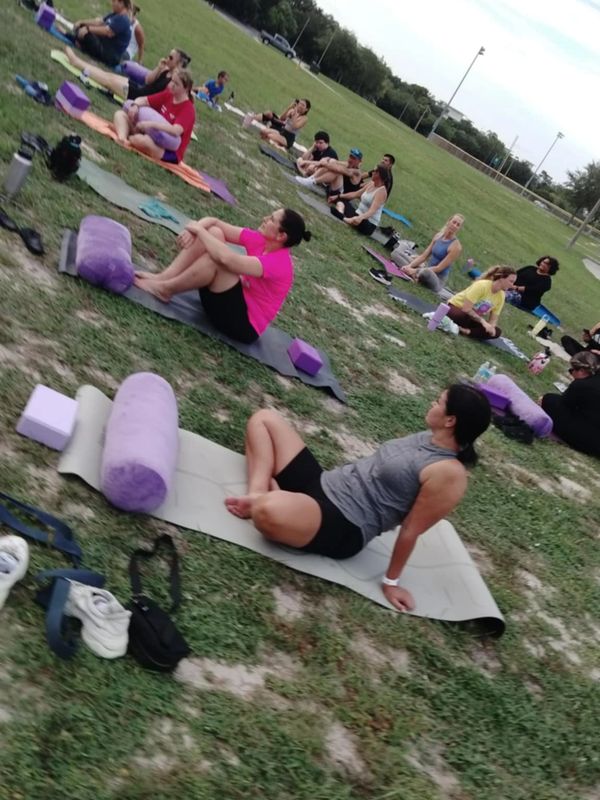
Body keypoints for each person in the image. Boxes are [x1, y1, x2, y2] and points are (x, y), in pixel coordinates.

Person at [225, 384, 491, 612]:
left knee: (267, 513)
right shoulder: (427, 437)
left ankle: (268, 500)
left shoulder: (449, 474)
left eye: (438, 401)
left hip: (343, 523)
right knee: (264, 419)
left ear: (450, 421)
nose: (432, 403)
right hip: (323, 483)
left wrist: (391, 583)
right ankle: (258, 492)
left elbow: (411, 529)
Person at [134, 209, 311, 343]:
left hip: (243, 326)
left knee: (217, 260)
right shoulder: (261, 240)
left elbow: (226, 259)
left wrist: (199, 231)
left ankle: (165, 290)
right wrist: (195, 228)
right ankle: (162, 278)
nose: (265, 219)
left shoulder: (279, 263)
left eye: (271, 219)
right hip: (227, 304)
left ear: (281, 236)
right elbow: (215, 223)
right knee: (215, 234)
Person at [113, 70, 196, 163]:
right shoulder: (169, 94)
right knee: (120, 114)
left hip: (171, 151)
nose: (171, 85)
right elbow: (145, 100)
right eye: (172, 81)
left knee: (144, 141)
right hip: (152, 134)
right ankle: (122, 138)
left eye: (176, 84)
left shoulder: (188, 109)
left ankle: (129, 137)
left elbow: (176, 131)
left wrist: (150, 124)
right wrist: (135, 105)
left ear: (186, 88)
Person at [373, 214, 464, 291]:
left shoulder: (456, 247)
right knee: (395, 253)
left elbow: (439, 268)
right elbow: (424, 256)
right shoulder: (438, 236)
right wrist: (410, 266)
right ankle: (414, 275)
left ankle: (414, 274)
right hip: (424, 268)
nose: (455, 226)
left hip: (435, 278)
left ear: (459, 228)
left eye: (458, 225)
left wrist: (415, 270)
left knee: (425, 272)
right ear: (449, 222)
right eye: (454, 222)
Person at [65, 46, 191, 101]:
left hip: (137, 96)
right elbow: (148, 80)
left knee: (107, 81)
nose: (167, 59)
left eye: (171, 58)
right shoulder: (166, 70)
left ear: (179, 64)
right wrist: (159, 68)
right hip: (138, 89)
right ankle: (78, 62)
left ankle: (76, 62)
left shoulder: (176, 81)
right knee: (108, 75)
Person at [541, 352, 600, 457]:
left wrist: (545, 400)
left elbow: (564, 404)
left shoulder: (581, 385)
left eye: (572, 370)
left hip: (592, 441)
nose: (571, 373)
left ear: (581, 371)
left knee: (549, 400)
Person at [446, 265, 517, 340]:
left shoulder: (501, 296)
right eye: (511, 281)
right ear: (501, 278)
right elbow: (466, 309)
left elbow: (493, 319)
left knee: (497, 332)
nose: (512, 285)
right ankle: (466, 330)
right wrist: (483, 322)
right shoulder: (482, 285)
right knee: (462, 316)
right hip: (457, 309)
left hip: (472, 318)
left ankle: (466, 331)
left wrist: (491, 327)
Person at [327, 165, 389, 236]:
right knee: (341, 202)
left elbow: (372, 211)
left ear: (379, 174)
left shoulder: (381, 191)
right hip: (357, 214)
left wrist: (360, 217)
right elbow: (356, 194)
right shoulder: (371, 183)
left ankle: (342, 217)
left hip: (368, 223)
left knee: (357, 221)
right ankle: (345, 218)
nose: (372, 173)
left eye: (374, 171)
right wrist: (337, 196)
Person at [69, 0, 132, 68]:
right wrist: (81, 22)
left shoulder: (123, 19)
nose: (112, 3)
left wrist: (88, 29)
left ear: (121, 3)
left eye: (114, 1)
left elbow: (108, 32)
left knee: (87, 35)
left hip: (109, 54)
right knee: (82, 27)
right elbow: (99, 22)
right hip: (103, 44)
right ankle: (81, 44)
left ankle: (82, 45)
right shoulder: (114, 15)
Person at [244, 99, 311, 150]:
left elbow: (295, 126)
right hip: (282, 131)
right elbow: (282, 118)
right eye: (300, 103)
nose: (300, 106)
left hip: (288, 138)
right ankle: (277, 143)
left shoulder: (304, 118)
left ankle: (280, 146)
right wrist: (290, 108)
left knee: (269, 136)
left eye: (303, 105)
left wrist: (295, 115)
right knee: (263, 132)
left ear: (306, 109)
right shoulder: (292, 111)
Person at [295, 148, 363, 195]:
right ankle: (310, 179)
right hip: (333, 187)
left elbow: (339, 170)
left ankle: (312, 181)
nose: (351, 159)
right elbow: (333, 163)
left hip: (341, 195)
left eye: (354, 158)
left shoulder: (357, 172)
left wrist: (325, 163)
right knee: (331, 163)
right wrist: (306, 162)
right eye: (350, 157)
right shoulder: (347, 164)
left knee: (336, 171)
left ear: (359, 162)